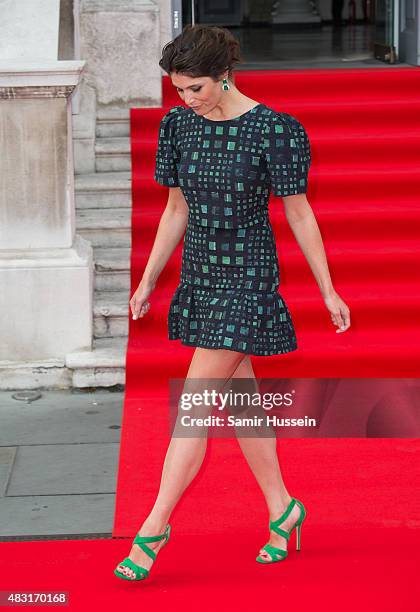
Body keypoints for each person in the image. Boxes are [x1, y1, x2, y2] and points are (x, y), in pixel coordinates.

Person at [114, 24, 351, 582]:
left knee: (194, 407)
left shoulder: (275, 130)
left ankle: (152, 528)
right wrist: (148, 279)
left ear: (224, 76)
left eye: (195, 88)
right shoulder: (177, 126)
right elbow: (176, 209)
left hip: (248, 278)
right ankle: (283, 509)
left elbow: (299, 212)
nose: (186, 99)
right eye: (178, 90)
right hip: (201, 275)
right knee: (240, 401)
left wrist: (327, 287)